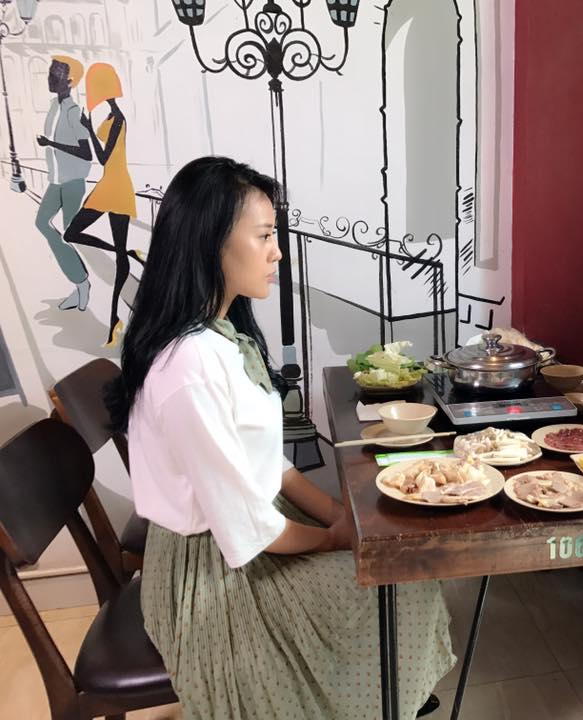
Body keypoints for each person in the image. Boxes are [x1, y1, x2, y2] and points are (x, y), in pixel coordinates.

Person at [105, 156, 454, 719]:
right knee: (400, 586)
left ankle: (386, 692)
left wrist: (340, 516)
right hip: (213, 577)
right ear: (212, 242)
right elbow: (247, 529)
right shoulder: (190, 366)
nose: (277, 253)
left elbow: (269, 464)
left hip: (242, 537)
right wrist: (337, 539)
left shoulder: (220, 334)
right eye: (264, 236)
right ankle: (377, 695)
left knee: (393, 568)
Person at [64, 62, 143, 347]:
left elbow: (104, 158)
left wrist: (87, 129)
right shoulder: (111, 116)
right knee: (71, 233)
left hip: (117, 185)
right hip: (109, 183)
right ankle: (130, 252)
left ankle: (114, 322)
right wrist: (88, 128)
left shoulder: (118, 118)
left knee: (117, 258)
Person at [35, 55, 91, 311]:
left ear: (70, 81)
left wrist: (51, 143)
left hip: (72, 182)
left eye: (56, 74)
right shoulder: (53, 107)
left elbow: (86, 153)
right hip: (56, 181)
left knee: (69, 234)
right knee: (42, 223)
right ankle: (80, 281)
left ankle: (81, 286)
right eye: (50, 72)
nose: (50, 77)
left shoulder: (73, 111)